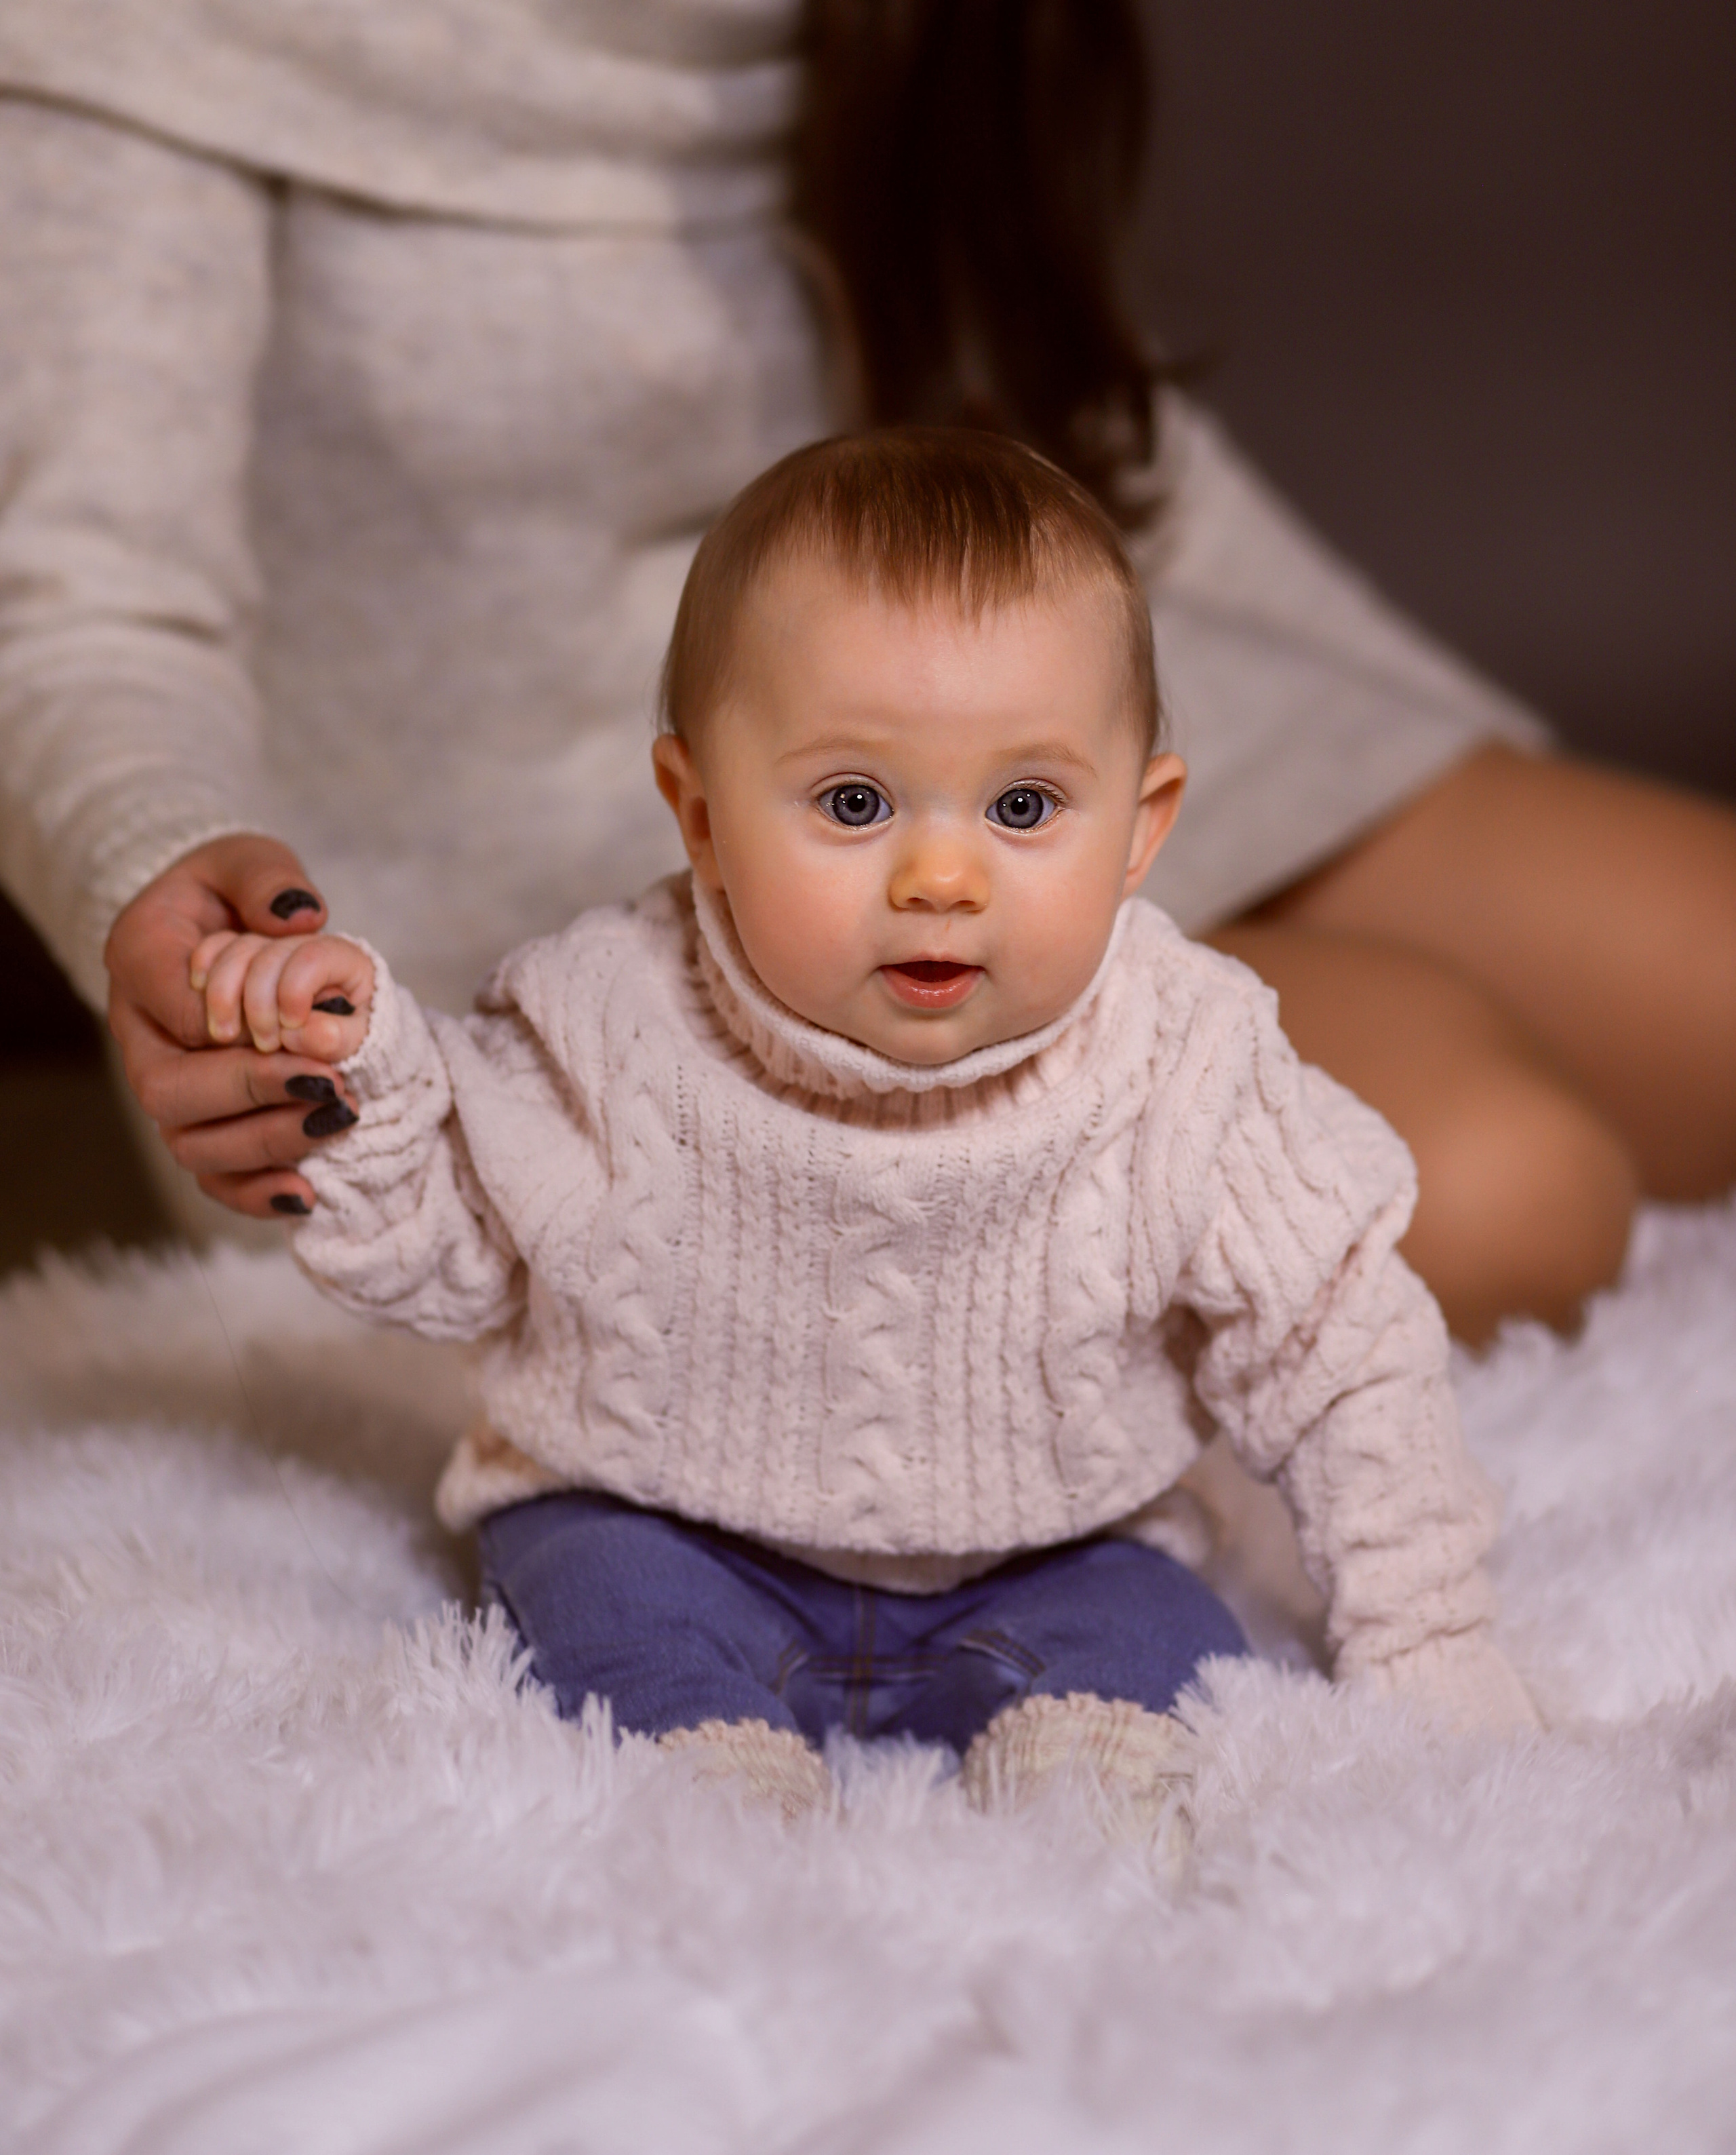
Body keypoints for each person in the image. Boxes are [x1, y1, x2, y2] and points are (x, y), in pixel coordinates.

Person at [1, 1, 1733, 1344]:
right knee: (1501, 1186)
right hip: (608, 916)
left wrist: (1446, 757)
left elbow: (1077, 435)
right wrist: (153, 870)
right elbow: (76, 604)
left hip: (1017, 744)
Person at [188, 431, 1537, 1827]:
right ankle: (711, 1793)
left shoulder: (1187, 1061)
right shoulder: (606, 1018)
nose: (940, 876)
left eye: (1024, 805)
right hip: (664, 1525)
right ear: (701, 815)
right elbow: (453, 1251)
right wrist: (357, 1070)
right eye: (853, 802)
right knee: (604, 1607)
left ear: (1140, 829)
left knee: (1156, 1649)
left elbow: (1344, 1346)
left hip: (1056, 1552)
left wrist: (1425, 1631)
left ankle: (1082, 1823)